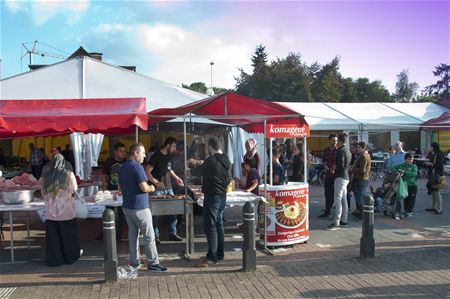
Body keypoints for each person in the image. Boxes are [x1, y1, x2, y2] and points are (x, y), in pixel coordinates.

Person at [119, 143, 167, 272]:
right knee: (149, 236)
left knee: (133, 235)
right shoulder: (137, 167)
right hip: (139, 207)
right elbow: (144, 187)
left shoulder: (122, 167)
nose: (145, 155)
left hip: (127, 206)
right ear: (136, 153)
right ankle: (153, 263)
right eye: (143, 152)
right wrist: (152, 187)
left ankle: (134, 262)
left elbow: (120, 187)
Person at [191, 137, 231, 267]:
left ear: (210, 147)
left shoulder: (211, 161)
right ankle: (219, 253)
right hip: (222, 196)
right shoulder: (226, 159)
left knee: (211, 227)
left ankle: (212, 256)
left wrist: (193, 163)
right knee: (218, 226)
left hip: (212, 197)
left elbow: (195, 173)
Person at [42, 154, 80, 266]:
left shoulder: (46, 176)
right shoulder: (68, 174)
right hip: (66, 211)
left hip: (50, 213)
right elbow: (75, 189)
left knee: (53, 240)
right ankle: (70, 258)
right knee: (68, 236)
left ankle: (55, 261)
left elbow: (42, 191)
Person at [145, 137, 184, 244]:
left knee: (173, 211)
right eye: (174, 146)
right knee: (155, 214)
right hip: (157, 189)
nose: (175, 148)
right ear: (168, 145)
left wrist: (176, 178)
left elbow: (169, 169)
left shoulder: (169, 156)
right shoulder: (156, 156)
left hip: (169, 187)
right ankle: (156, 235)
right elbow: (147, 171)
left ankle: (172, 233)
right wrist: (156, 182)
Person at [96, 142, 127, 241]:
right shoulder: (109, 162)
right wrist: (104, 187)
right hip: (111, 191)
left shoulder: (126, 162)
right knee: (108, 212)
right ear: (115, 152)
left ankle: (119, 235)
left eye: (124, 151)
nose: (123, 153)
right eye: (121, 151)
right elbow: (104, 175)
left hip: (122, 191)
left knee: (122, 214)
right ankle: (105, 233)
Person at [327, 133, 351, 230]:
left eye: (337, 141)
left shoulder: (341, 151)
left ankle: (336, 222)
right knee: (343, 199)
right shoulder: (348, 150)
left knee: (338, 200)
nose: (336, 143)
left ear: (340, 141)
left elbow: (340, 165)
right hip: (346, 177)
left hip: (340, 177)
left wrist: (334, 168)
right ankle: (344, 220)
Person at [391, 153, 418, 219]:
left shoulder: (414, 166)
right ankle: (406, 211)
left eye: (412, 159)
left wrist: (404, 172)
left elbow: (414, 174)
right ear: (405, 159)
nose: (411, 161)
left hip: (412, 185)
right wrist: (398, 172)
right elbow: (392, 168)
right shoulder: (402, 165)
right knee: (405, 199)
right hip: (404, 185)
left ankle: (409, 212)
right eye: (409, 159)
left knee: (411, 199)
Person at [319, 134, 338, 218]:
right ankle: (327, 211)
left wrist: (335, 166)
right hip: (328, 174)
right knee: (327, 193)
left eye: (336, 141)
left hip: (336, 175)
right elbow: (323, 161)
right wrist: (325, 165)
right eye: (333, 141)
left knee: (334, 193)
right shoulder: (326, 150)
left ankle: (330, 209)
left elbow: (339, 161)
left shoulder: (338, 150)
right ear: (329, 141)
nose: (335, 142)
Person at [351, 142, 371, 221]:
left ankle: (363, 215)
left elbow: (362, 170)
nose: (357, 149)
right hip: (360, 179)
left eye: (359, 147)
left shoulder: (364, 156)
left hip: (362, 179)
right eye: (357, 147)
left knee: (360, 198)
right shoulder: (362, 155)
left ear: (364, 148)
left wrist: (352, 169)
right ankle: (360, 213)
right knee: (358, 197)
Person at [424, 142, 445, 215]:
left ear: (434, 147)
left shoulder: (439, 155)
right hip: (432, 175)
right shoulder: (432, 154)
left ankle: (439, 208)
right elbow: (428, 161)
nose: (429, 147)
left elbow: (440, 166)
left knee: (436, 191)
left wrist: (430, 164)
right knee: (433, 191)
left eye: (431, 146)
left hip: (436, 175)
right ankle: (434, 206)